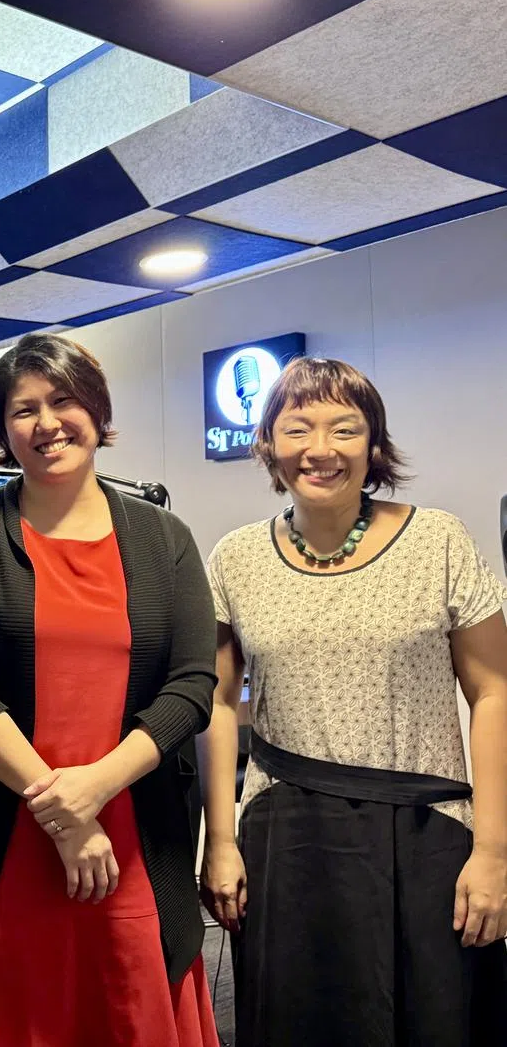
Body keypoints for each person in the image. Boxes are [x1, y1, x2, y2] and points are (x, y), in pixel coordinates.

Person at [0, 332, 220, 1046]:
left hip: (134, 838)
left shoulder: (163, 539)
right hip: (3, 839)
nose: (47, 423)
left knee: (130, 1007)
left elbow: (193, 685)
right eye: (23, 410)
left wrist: (94, 791)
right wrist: (61, 812)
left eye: (63, 400)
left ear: (96, 409)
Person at [199, 356, 507, 1047]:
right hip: (287, 834)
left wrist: (495, 850)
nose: (321, 449)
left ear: (374, 445)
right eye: (297, 428)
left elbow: (494, 692)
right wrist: (219, 841)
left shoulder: (439, 540)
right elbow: (218, 704)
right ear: (270, 444)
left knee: (435, 1019)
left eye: (345, 429)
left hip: (428, 832)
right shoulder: (236, 558)